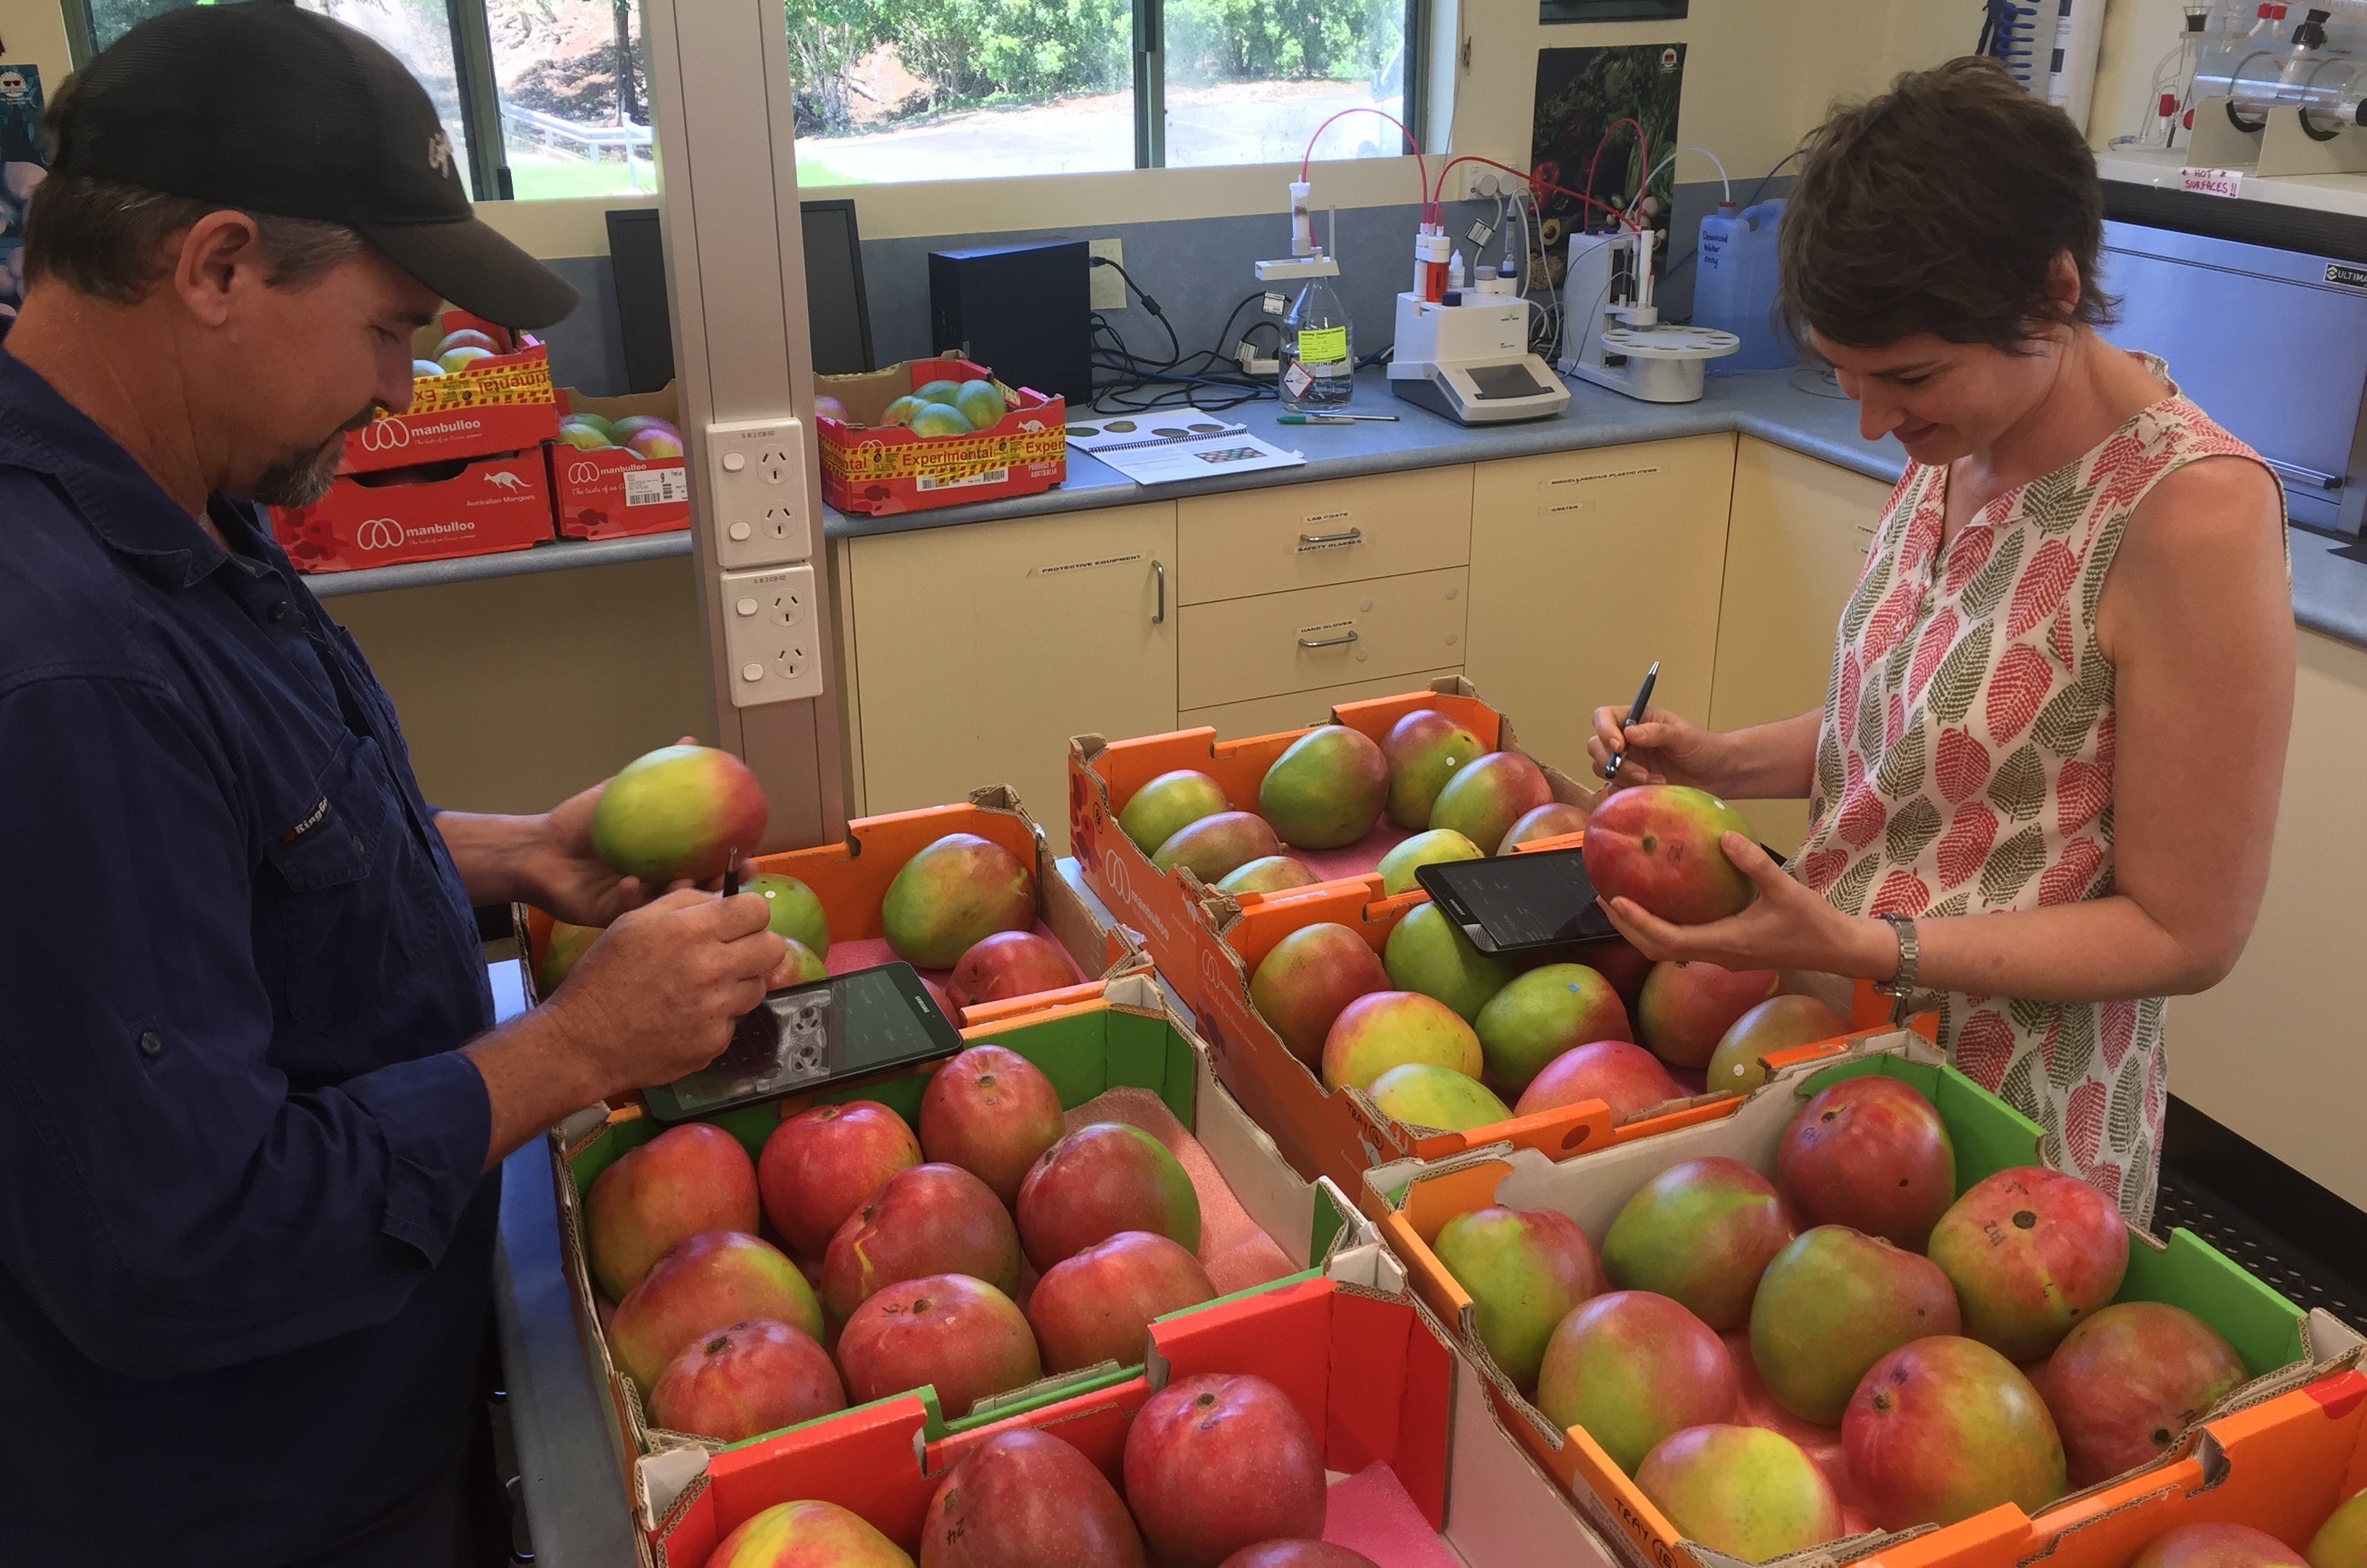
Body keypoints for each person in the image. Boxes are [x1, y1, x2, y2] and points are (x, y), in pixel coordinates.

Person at [0, 7, 787, 1564]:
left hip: (374, 1405)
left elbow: (233, 848)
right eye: (388, 330)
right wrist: (571, 1046)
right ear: (219, 267)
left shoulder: (180, 503)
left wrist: (515, 858)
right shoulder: (61, 667)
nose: (396, 391)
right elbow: (180, 1239)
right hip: (248, 1496)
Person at [1587, 57, 2292, 1229]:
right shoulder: (1961, 436)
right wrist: (1717, 761)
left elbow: (2189, 930)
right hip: (1841, 1072)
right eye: (1847, 378)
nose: (1873, 422)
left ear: (2054, 290)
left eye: (1905, 377)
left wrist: (1873, 940)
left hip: (2004, 1137)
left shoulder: (2192, 515)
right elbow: (1922, 728)